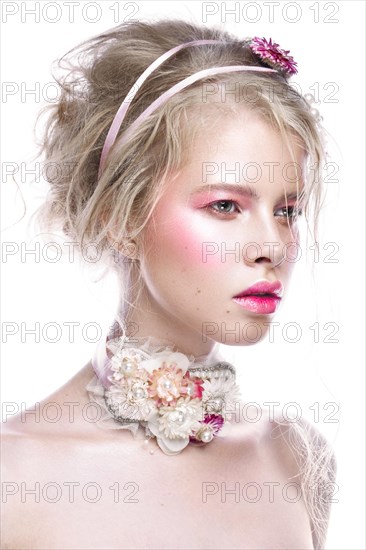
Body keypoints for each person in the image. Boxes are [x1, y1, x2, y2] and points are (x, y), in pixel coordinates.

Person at [2, 19, 337, 549]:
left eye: (287, 210)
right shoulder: (13, 478)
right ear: (120, 217)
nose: (271, 244)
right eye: (225, 205)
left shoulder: (294, 456)